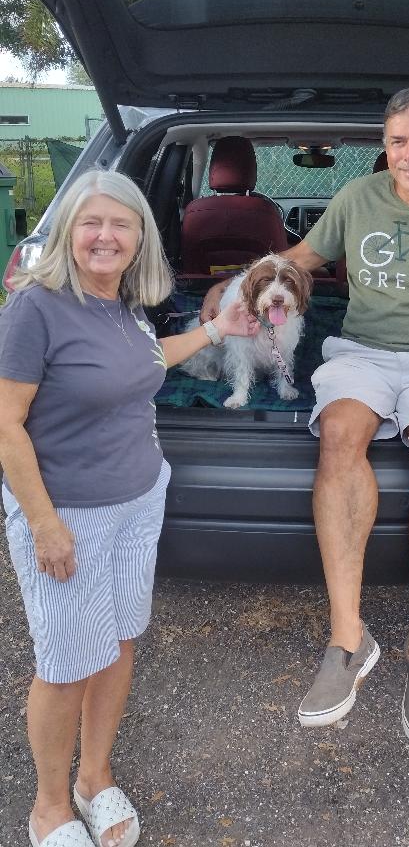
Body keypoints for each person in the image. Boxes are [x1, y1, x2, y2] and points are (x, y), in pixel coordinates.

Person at [202, 85, 409, 746]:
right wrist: (228, 288)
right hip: (362, 352)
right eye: (399, 141)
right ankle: (349, 639)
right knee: (339, 438)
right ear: (386, 147)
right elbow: (297, 261)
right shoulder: (356, 199)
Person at [0, 170, 259, 847]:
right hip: (70, 515)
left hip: (139, 501)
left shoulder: (123, 304)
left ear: (141, 235)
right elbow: (5, 423)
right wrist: (43, 521)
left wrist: (217, 331)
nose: (105, 237)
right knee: (63, 666)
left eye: (121, 224)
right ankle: (51, 807)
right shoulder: (37, 307)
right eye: (92, 223)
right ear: (67, 232)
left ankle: (95, 777)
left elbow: (146, 363)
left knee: (114, 647)